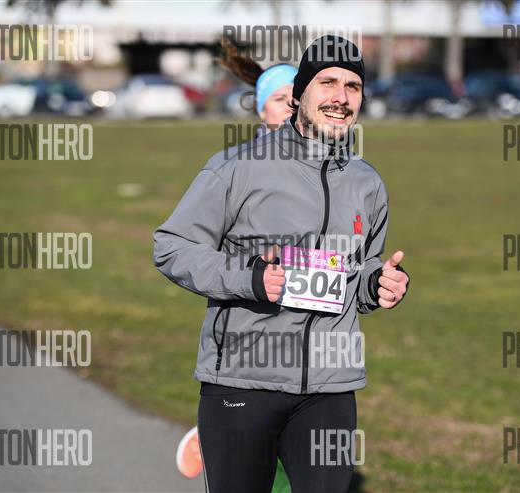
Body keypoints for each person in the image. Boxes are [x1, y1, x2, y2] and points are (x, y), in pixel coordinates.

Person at [154, 35, 409, 493]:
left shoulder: (367, 182)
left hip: (329, 388)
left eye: (352, 86)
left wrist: (378, 284)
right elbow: (172, 246)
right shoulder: (238, 168)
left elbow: (359, 270)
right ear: (299, 95)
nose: (341, 97)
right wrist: (249, 279)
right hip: (242, 382)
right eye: (327, 83)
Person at [174, 39, 296, 493]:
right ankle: (219, 434)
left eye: (297, 99)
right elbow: (182, 246)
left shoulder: (333, 167)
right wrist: (251, 276)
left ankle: (219, 437)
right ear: (261, 111)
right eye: (279, 100)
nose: (290, 108)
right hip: (249, 325)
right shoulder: (238, 168)